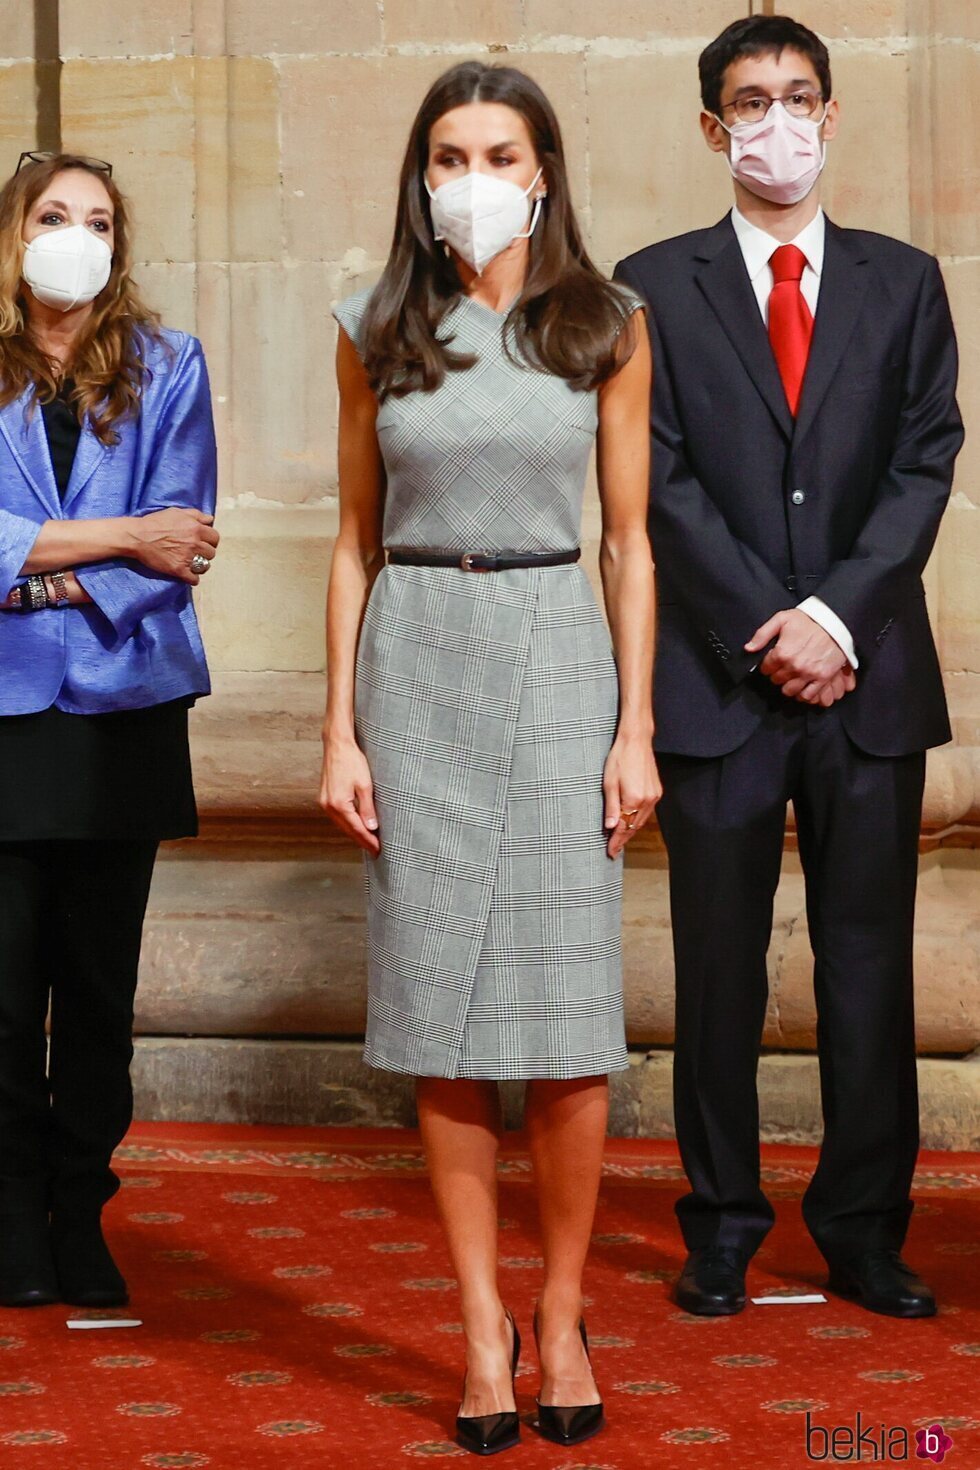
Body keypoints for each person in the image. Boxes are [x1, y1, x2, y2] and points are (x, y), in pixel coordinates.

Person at [321, 61, 658, 1454]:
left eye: (498, 149)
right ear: (420, 173)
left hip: (556, 653)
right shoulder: (375, 324)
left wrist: (634, 725)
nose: (472, 172)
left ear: (542, 168)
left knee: (568, 1027)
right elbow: (346, 539)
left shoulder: (609, 324)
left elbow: (632, 540)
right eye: (449, 150)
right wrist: (336, 727)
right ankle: (477, 1324)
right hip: (418, 653)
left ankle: (565, 1309)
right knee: (440, 1027)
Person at [615, 14, 963, 1321]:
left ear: (831, 112)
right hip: (720, 684)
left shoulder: (904, 280)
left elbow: (925, 458)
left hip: (869, 687)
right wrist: (773, 623)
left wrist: (838, 617)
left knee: (866, 966)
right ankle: (720, 1224)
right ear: (714, 127)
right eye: (750, 102)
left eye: (800, 96)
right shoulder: (652, 284)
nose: (778, 121)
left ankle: (865, 1228)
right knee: (719, 969)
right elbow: (655, 477)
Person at [0, 152, 219, 1311]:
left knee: (95, 987)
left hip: (122, 709)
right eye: (51, 215)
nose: (72, 236)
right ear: (13, 233)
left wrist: (36, 568)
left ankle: (81, 1210)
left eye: (95, 220)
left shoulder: (167, 366)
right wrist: (114, 537)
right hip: (2, 717)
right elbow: (138, 537)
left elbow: (181, 544)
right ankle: (8, 1220)